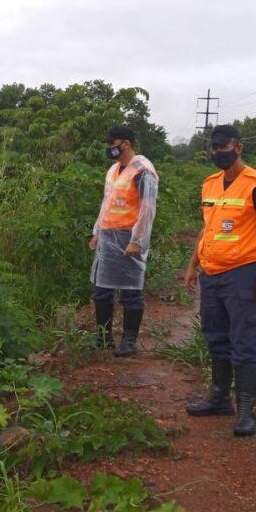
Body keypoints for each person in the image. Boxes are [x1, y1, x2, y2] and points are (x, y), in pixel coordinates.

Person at [183, 124, 256, 437]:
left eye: (223, 147)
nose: (217, 153)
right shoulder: (210, 184)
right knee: (216, 335)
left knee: (245, 340)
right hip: (211, 274)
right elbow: (207, 228)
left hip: (243, 273)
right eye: (213, 148)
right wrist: (192, 265)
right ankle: (218, 398)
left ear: (238, 147)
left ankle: (246, 412)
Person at [89, 125, 159, 357]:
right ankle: (103, 337)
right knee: (102, 290)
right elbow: (106, 203)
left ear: (126, 144)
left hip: (129, 238)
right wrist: (97, 232)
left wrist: (137, 240)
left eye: (112, 144)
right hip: (108, 236)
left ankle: (129, 342)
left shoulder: (142, 170)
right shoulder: (113, 170)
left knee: (130, 291)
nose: (110, 149)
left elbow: (148, 208)